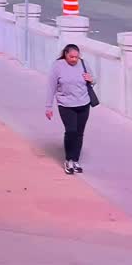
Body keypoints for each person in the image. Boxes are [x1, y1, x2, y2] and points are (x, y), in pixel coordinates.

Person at [46, 44, 96, 175]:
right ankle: (68, 160)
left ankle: (75, 160)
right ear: (65, 54)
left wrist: (91, 80)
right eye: (71, 56)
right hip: (66, 105)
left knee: (79, 133)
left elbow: (93, 80)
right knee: (71, 131)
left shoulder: (84, 63)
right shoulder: (58, 66)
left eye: (76, 57)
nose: (74, 59)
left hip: (84, 104)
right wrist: (48, 106)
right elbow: (51, 86)